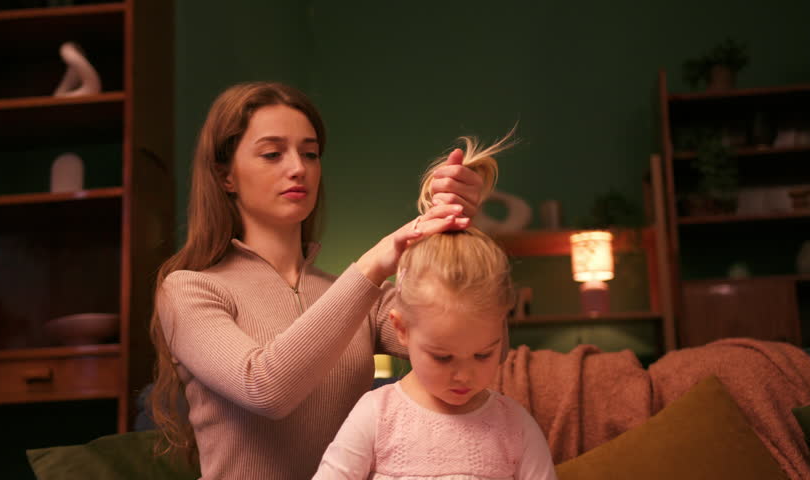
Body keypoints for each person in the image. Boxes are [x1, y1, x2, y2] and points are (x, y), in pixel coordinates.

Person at [148, 81, 487, 479]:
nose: (298, 168)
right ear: (226, 177)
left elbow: (474, 349)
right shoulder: (188, 289)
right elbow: (265, 389)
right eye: (273, 154)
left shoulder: (364, 299)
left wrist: (456, 230)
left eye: (310, 153)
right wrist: (372, 266)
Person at [312, 136, 557, 480]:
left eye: (484, 355)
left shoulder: (515, 428)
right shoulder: (377, 417)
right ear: (401, 329)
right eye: (443, 357)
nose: (464, 375)